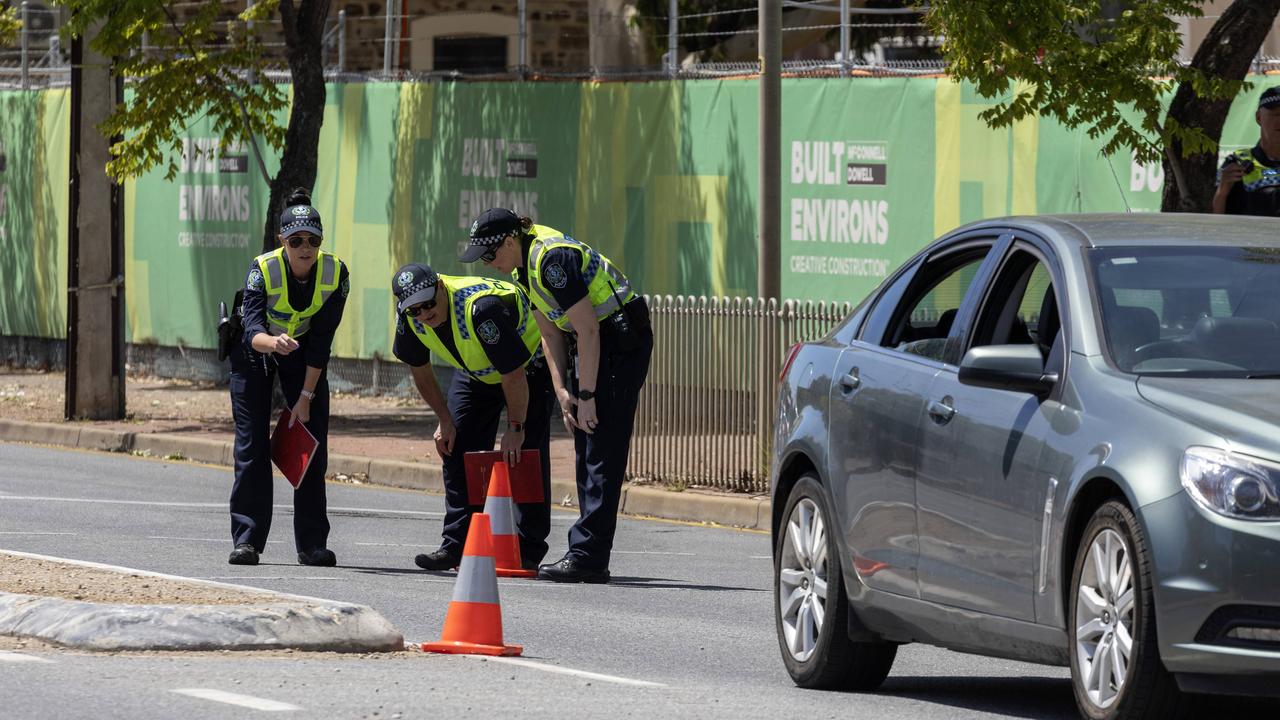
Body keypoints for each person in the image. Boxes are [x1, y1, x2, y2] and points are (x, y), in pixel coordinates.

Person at [460, 208, 652, 584]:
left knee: (601, 444)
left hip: (620, 339)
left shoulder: (551, 261)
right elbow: (549, 334)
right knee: (585, 439)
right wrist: (564, 391)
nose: (487, 264)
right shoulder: (522, 269)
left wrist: (588, 394)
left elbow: (589, 329)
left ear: (510, 241)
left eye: (489, 254)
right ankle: (587, 551)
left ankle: (589, 555)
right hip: (593, 343)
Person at [390, 262, 555, 572]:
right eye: (415, 309)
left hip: (525, 369)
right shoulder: (410, 318)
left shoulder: (481, 309)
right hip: (475, 373)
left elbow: (513, 374)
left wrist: (516, 427)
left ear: (440, 286)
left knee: (524, 455)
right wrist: (444, 419)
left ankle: (528, 548)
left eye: (428, 303)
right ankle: (457, 545)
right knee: (455, 447)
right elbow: (420, 371)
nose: (425, 313)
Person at [227, 188, 349, 567]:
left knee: (309, 445)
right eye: (296, 240)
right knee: (253, 446)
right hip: (258, 349)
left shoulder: (335, 273)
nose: (305, 247)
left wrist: (305, 398)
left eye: (312, 240)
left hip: (302, 351)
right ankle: (247, 540)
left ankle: (312, 544)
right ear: (282, 241)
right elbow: (250, 329)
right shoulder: (261, 269)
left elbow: (322, 342)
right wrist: (272, 342)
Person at [1214, 86, 1280, 216]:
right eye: (1276, 114)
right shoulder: (1237, 162)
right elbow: (1218, 219)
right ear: (1259, 117)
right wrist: (1222, 191)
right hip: (1253, 235)